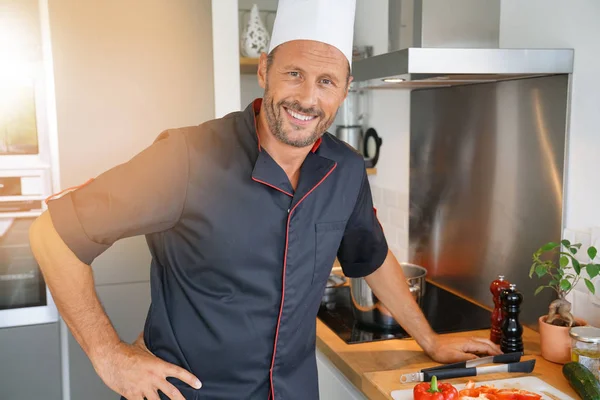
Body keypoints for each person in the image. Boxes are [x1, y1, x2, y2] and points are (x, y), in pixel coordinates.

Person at [29, 0, 501, 399]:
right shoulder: (187, 157)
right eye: (294, 73)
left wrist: (431, 340)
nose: (307, 98)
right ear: (265, 71)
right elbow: (53, 234)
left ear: (343, 91)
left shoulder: (347, 170)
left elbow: (370, 258)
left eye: (326, 81)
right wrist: (109, 357)